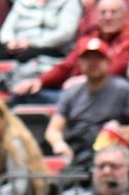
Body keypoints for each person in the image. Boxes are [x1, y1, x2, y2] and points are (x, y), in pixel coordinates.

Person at [45, 38, 129, 170]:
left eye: (98, 58)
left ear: (108, 62)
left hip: (111, 154)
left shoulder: (123, 90)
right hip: (76, 151)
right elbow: (53, 129)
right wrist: (59, 145)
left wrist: (119, 132)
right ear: (80, 63)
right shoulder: (72, 92)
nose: (93, 63)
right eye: (88, 58)